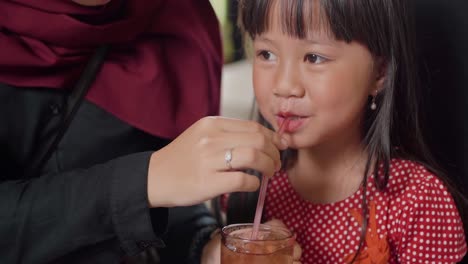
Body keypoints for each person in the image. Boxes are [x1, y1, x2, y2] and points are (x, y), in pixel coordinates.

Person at [0, 0, 288, 263]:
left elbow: (171, 196)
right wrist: (142, 182)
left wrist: (206, 248)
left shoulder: (174, 21)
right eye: (266, 54)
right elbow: (155, 180)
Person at [203, 0, 468, 263]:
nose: (284, 85)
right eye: (266, 54)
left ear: (380, 72)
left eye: (314, 57)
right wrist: (214, 255)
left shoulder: (418, 202)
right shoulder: (246, 184)